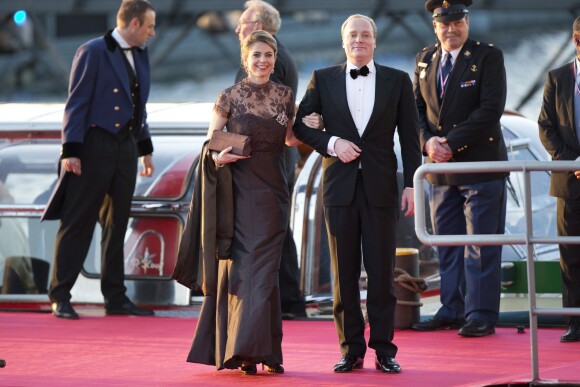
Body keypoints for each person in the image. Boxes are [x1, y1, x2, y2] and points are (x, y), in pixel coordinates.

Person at [293, 14, 421, 374]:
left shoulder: (398, 81)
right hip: (340, 190)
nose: (359, 40)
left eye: (366, 35)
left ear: (375, 41)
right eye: (353, 35)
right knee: (344, 275)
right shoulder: (323, 79)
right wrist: (333, 143)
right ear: (343, 40)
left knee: (381, 275)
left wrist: (411, 183)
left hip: (383, 188)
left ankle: (384, 350)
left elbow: (411, 140)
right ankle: (351, 350)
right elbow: (300, 126)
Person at [182, 30, 301, 375]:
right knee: (244, 272)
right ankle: (247, 351)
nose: (262, 61)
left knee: (266, 274)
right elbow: (210, 143)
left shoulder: (285, 95)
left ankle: (264, 351)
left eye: (268, 55)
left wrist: (314, 124)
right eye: (256, 55)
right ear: (245, 60)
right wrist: (218, 158)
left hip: (274, 192)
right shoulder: (229, 96)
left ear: (275, 58)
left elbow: (291, 139)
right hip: (238, 194)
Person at [42, 0, 156, 319]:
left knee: (116, 223)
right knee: (78, 221)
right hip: (94, 145)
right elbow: (75, 103)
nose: (152, 32)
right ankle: (60, 295)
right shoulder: (92, 50)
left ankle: (115, 298)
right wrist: (71, 151)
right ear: (133, 24)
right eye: (149, 26)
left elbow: (139, 106)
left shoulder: (142, 54)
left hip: (126, 147)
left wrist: (145, 148)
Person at [410, 0, 508, 337]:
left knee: (480, 244)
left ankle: (480, 313)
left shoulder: (487, 57)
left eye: (457, 22)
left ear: (467, 21)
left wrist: (449, 143)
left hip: (480, 166)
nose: (451, 29)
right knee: (447, 243)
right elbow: (416, 111)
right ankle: (451, 308)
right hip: (439, 170)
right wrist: (427, 143)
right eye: (444, 24)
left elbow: (490, 110)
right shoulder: (424, 59)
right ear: (434, 25)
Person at [233, 0, 306, 319]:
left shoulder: (275, 65)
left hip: (266, 163)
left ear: (261, 26)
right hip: (258, 160)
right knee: (274, 231)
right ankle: (281, 300)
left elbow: (268, 122)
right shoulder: (270, 60)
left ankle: (283, 301)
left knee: (272, 231)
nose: (238, 28)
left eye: (244, 22)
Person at [538, 16, 580, 343]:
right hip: (569, 182)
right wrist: (572, 162)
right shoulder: (556, 78)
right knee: (570, 255)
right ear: (577, 41)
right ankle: (575, 321)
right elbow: (545, 127)